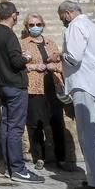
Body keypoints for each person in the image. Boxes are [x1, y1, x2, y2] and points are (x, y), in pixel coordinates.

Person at [58, 0, 95, 189]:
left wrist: (61, 54)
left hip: (83, 84)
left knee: (87, 135)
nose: (63, 22)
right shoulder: (94, 26)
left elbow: (74, 56)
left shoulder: (75, 27)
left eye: (62, 18)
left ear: (67, 13)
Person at [0, 0, 41, 183]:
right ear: (14, 15)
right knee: (16, 128)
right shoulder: (9, 35)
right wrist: (26, 56)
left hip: (2, 87)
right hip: (15, 87)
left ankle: (10, 166)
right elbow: (16, 62)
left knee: (7, 125)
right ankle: (18, 169)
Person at [20, 14, 64, 172]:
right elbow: (19, 65)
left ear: (43, 24)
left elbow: (60, 62)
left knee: (57, 121)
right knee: (35, 122)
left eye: (38, 24)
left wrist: (55, 66)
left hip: (53, 85)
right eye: (31, 25)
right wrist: (34, 67)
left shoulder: (50, 43)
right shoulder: (23, 44)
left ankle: (62, 158)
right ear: (27, 27)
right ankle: (39, 156)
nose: (35, 27)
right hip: (34, 86)